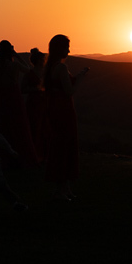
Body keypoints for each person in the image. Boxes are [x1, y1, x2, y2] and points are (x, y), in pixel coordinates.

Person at [42, 34, 87, 200]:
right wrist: (80, 79)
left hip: (56, 109)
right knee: (65, 146)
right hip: (64, 110)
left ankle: (64, 188)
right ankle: (61, 190)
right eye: (67, 46)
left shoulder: (52, 67)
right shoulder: (60, 68)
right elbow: (69, 91)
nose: (69, 50)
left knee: (61, 145)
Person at [0, 40, 39, 163]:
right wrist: (17, 55)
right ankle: (22, 154)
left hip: (1, 94)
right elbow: (29, 69)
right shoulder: (14, 65)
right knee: (19, 124)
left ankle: (6, 155)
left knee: (4, 125)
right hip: (13, 94)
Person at [23, 47, 48, 156]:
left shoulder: (46, 73)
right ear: (39, 61)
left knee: (45, 128)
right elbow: (22, 89)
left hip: (44, 102)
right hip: (34, 103)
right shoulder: (29, 73)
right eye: (43, 60)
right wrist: (35, 89)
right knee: (35, 127)